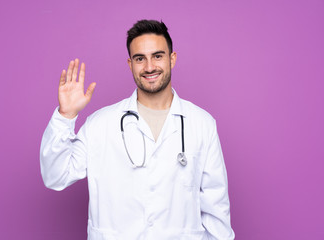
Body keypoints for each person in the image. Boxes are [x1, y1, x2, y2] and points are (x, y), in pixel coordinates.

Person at [40, 19, 235, 240]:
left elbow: (216, 209)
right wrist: (65, 116)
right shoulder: (100, 124)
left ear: (172, 59)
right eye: (140, 58)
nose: (149, 67)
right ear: (130, 64)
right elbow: (56, 176)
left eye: (158, 56)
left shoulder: (201, 123)